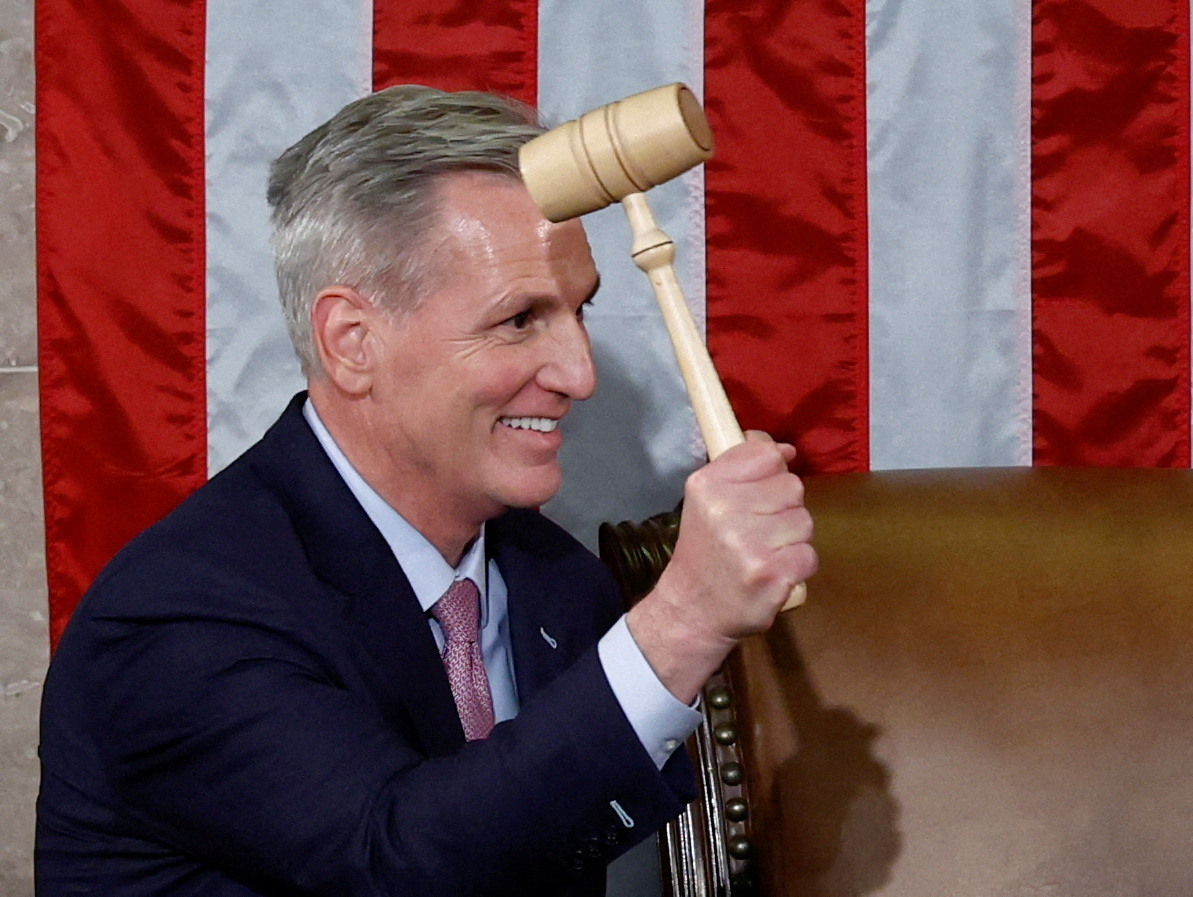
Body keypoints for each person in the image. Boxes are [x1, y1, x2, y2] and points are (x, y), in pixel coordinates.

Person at [35, 85, 817, 897]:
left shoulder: (555, 581)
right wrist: (683, 621)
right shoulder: (178, 616)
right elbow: (398, 861)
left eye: (579, 312)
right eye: (519, 319)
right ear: (352, 342)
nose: (578, 374)